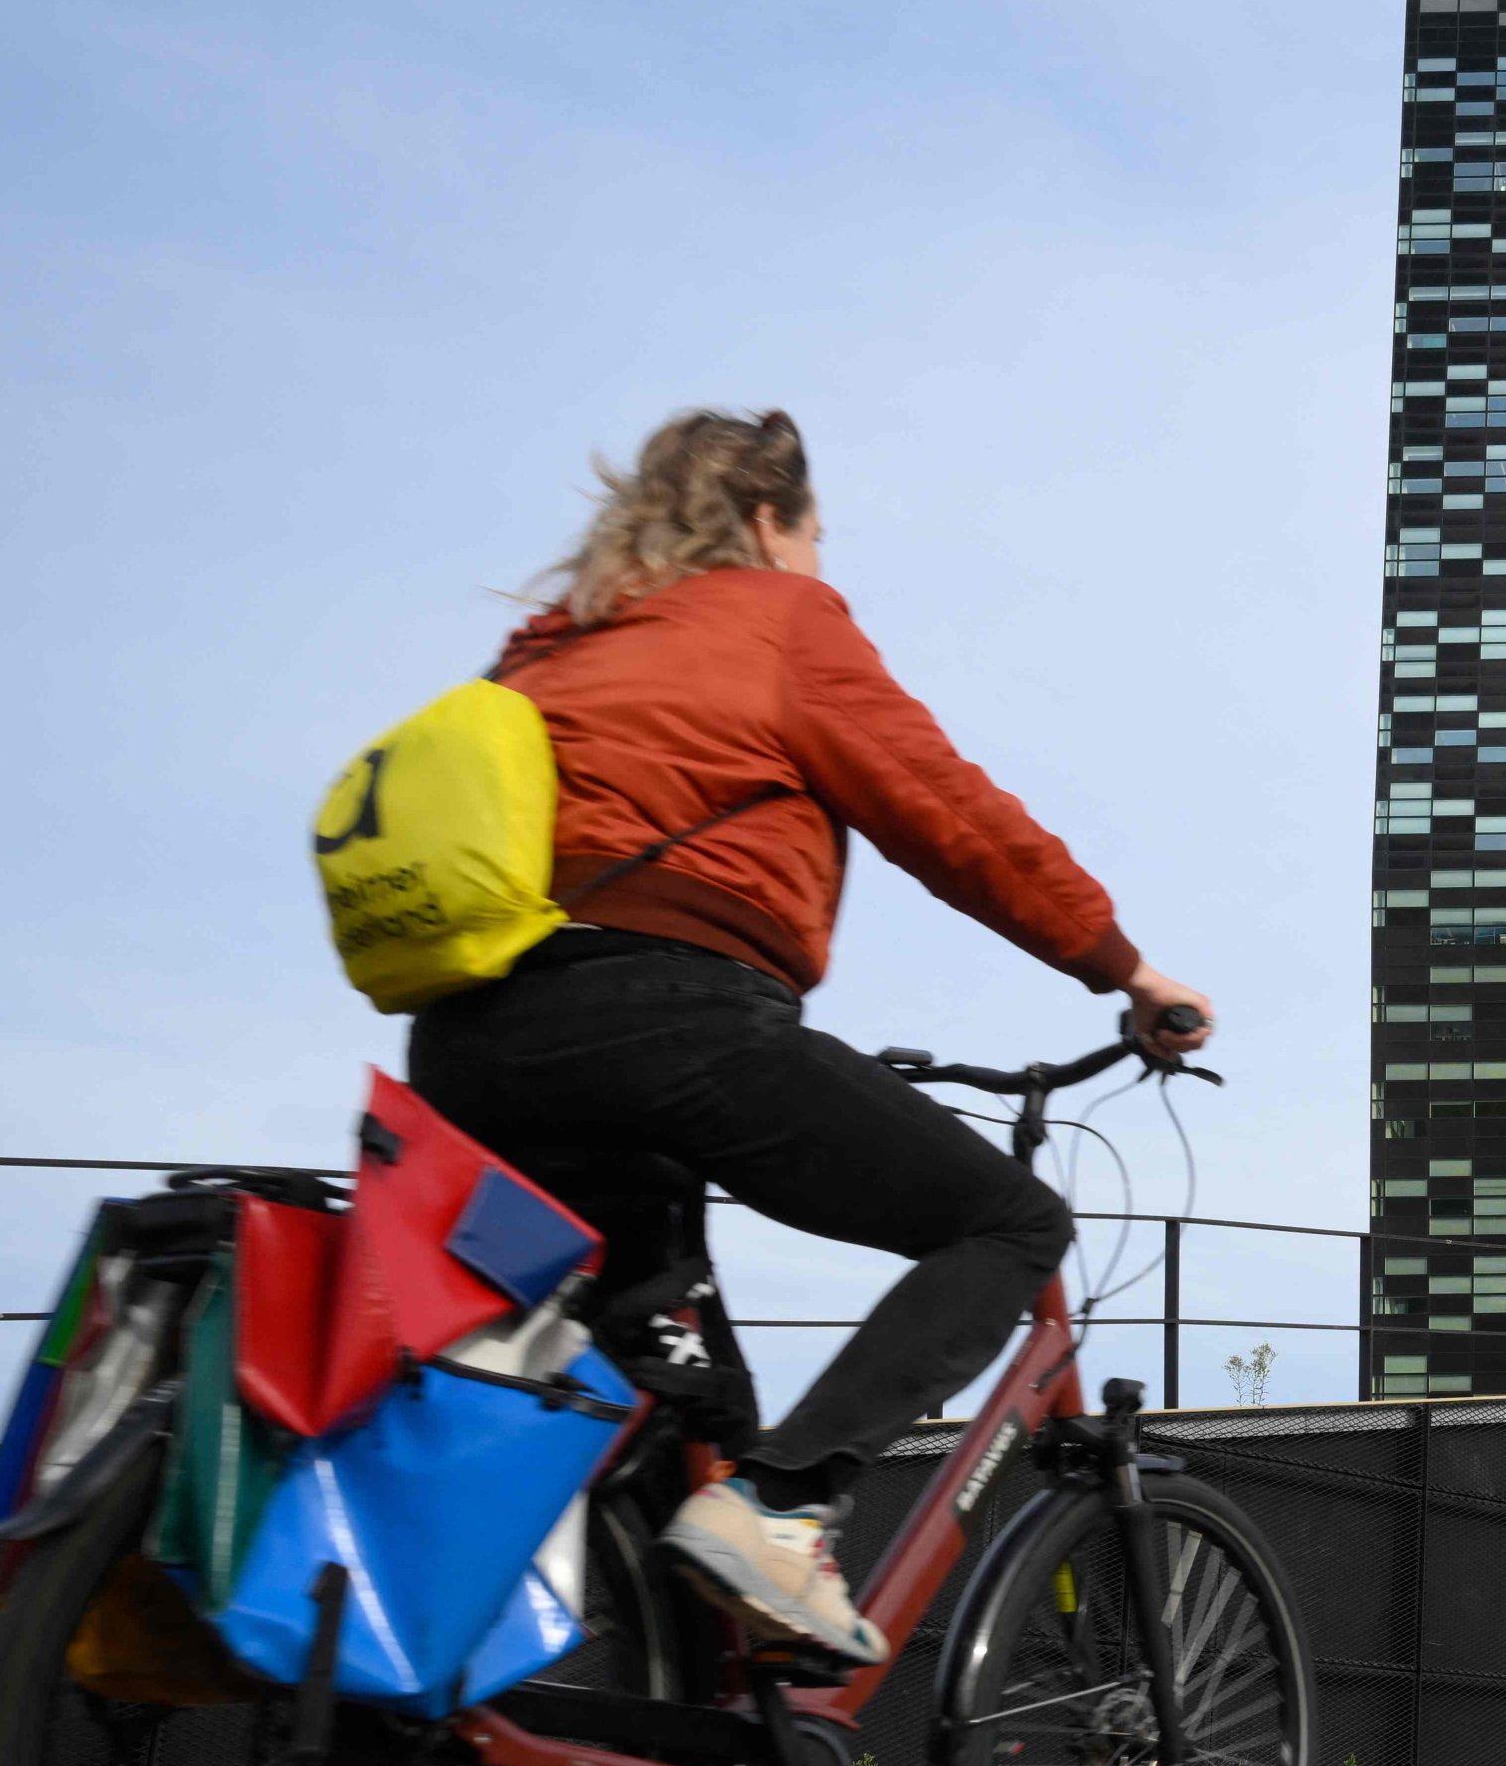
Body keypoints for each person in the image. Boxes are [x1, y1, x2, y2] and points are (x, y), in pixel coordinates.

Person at [405, 410, 1213, 1666]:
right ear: (771, 522)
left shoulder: (550, 648)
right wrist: (1126, 969)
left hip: (472, 1050)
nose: (826, 565)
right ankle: (787, 1510)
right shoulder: (776, 618)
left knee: (690, 1415)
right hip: (665, 1013)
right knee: (1008, 1224)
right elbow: (946, 813)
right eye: (820, 536)